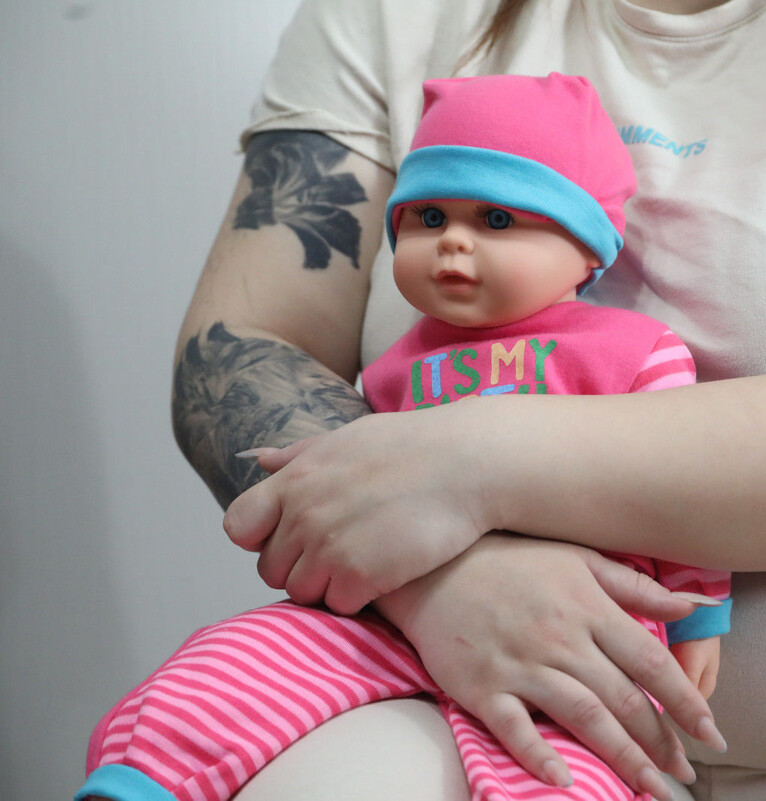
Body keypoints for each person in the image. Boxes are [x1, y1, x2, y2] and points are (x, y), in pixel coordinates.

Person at [113, 0, 766, 799]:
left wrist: (467, 467)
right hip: (459, 694)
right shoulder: (388, 12)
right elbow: (240, 348)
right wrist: (443, 580)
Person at [76, 72, 731, 801]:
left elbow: (687, 492)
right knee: (239, 657)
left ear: (588, 247)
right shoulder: (391, 372)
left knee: (554, 766)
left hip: (576, 636)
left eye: (497, 219)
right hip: (392, 620)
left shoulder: (634, 353)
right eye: (427, 217)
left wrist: (700, 613)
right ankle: (146, 777)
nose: (452, 241)